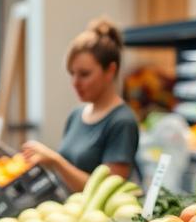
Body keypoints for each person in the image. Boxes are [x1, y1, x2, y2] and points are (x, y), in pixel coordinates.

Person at [22, 18, 140, 192]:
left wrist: (56, 161)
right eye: (72, 74)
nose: (75, 83)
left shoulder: (122, 122)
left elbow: (107, 192)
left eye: (84, 74)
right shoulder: (76, 116)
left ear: (110, 71)